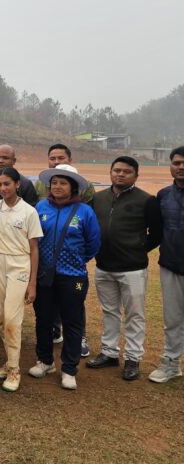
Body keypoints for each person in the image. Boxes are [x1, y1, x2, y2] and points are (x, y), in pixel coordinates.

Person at [87, 156, 162, 380]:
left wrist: (137, 250)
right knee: (109, 311)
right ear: (110, 172)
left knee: (134, 315)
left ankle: (132, 358)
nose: (120, 174)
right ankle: (109, 353)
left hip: (133, 269)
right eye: (116, 170)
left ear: (135, 176)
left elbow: (156, 234)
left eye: (126, 171)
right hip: (104, 266)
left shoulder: (147, 201)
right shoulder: (97, 199)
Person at [29, 164, 101, 390]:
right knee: (43, 319)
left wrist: (76, 261)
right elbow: (33, 239)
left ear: (73, 187)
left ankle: (69, 369)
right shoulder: (40, 207)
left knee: (72, 321)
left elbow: (93, 244)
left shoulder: (84, 212)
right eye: (55, 183)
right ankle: (45, 361)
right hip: (43, 275)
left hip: (73, 276)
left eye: (63, 183)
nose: (58, 187)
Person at [0, 166, 42, 393]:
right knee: (1, 318)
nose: (3, 189)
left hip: (19, 265)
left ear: (17, 184)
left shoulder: (28, 211)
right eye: (0, 185)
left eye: (7, 184)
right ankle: (9, 362)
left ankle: (14, 370)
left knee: (13, 319)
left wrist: (32, 283)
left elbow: (34, 249)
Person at [150, 146, 184, 383]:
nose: (181, 167)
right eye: (176, 163)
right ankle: (171, 363)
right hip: (171, 264)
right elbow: (156, 232)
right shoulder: (163, 195)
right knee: (172, 318)